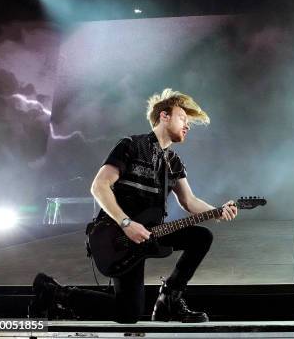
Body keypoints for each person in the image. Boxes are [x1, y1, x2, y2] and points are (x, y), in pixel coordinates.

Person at [30, 88, 238, 323]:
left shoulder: (173, 162)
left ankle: (168, 300)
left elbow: (189, 201)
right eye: (183, 118)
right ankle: (56, 294)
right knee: (127, 313)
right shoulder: (130, 145)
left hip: (151, 233)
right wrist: (126, 223)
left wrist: (218, 211)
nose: (187, 125)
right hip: (118, 236)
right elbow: (99, 186)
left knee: (201, 237)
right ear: (164, 116)